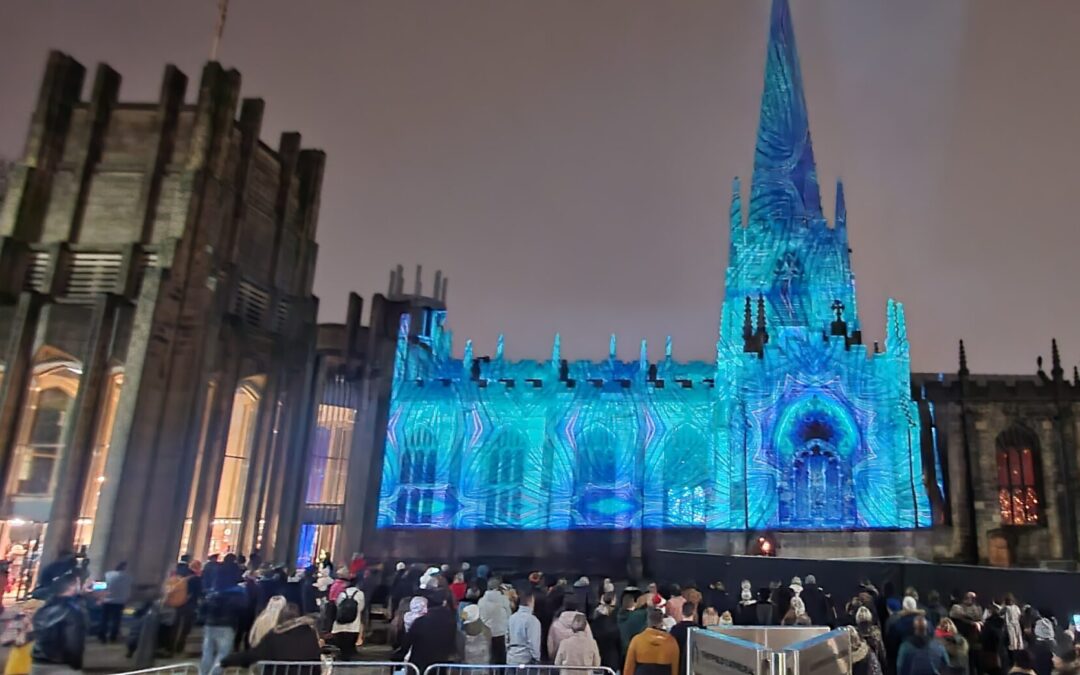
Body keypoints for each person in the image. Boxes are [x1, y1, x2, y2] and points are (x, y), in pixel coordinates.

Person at [220, 603, 321, 675]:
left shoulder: (275, 635)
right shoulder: (310, 634)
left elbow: (254, 654)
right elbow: (316, 660)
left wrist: (227, 661)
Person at [31, 572, 86, 673]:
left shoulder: (43, 608)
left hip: (37, 661)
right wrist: (76, 665)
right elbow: (73, 643)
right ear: (72, 587)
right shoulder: (72, 612)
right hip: (60, 665)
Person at [403, 590, 457, 675]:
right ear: (444, 603)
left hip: (419, 665)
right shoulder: (451, 621)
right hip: (440, 665)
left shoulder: (420, 621)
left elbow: (407, 642)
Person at [199, 583, 246, 675]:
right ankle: (215, 673)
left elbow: (203, 609)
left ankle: (203, 673)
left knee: (207, 652)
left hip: (210, 624)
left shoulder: (212, 593)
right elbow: (242, 609)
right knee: (223, 653)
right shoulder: (237, 594)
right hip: (227, 625)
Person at [624, 608, 679, 675]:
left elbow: (628, 669)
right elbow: (675, 670)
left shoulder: (637, 640)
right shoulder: (671, 642)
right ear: (662, 622)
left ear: (647, 621)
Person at [479, 578, 512, 664]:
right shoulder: (504, 599)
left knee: (489, 659)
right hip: (501, 633)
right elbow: (509, 614)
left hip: (487, 634)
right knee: (501, 659)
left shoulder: (481, 601)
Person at [98, 562, 131, 644]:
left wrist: (99, 597)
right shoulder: (128, 577)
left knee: (104, 619)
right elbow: (129, 589)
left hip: (107, 600)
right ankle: (113, 637)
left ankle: (102, 636)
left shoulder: (108, 574)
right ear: (124, 568)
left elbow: (100, 586)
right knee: (116, 620)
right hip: (120, 601)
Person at [330, 583, 364, 660]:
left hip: (340, 623)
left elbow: (337, 605)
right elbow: (361, 607)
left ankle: (343, 656)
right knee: (350, 643)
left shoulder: (342, 594)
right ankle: (350, 655)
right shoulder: (360, 594)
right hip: (354, 625)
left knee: (342, 643)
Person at [507, 590, 542, 666]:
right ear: (530, 602)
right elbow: (534, 643)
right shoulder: (533, 620)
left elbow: (506, 638)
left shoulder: (511, 618)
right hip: (526, 661)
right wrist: (537, 658)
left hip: (511, 659)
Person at [592, 592, 622, 673]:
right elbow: (619, 643)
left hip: (598, 660)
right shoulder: (615, 623)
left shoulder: (594, 624)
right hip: (612, 662)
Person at [619, 591, 650, 661]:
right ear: (634, 602)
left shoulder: (615, 615)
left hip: (621, 654)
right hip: (636, 654)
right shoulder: (639, 616)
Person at [669, 602, 697, 675]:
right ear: (694, 612)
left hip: (678, 665)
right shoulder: (699, 630)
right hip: (694, 666)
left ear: (682, 612)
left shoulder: (675, 629)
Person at [1005, 595, 1026, 659]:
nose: (1010, 601)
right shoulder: (1007, 608)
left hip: (1016, 623)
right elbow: (1005, 616)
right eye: (1009, 600)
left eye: (1011, 600)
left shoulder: (1016, 607)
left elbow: (1019, 615)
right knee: (1012, 637)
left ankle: (1019, 647)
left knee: (1018, 635)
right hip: (1010, 624)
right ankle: (1013, 648)